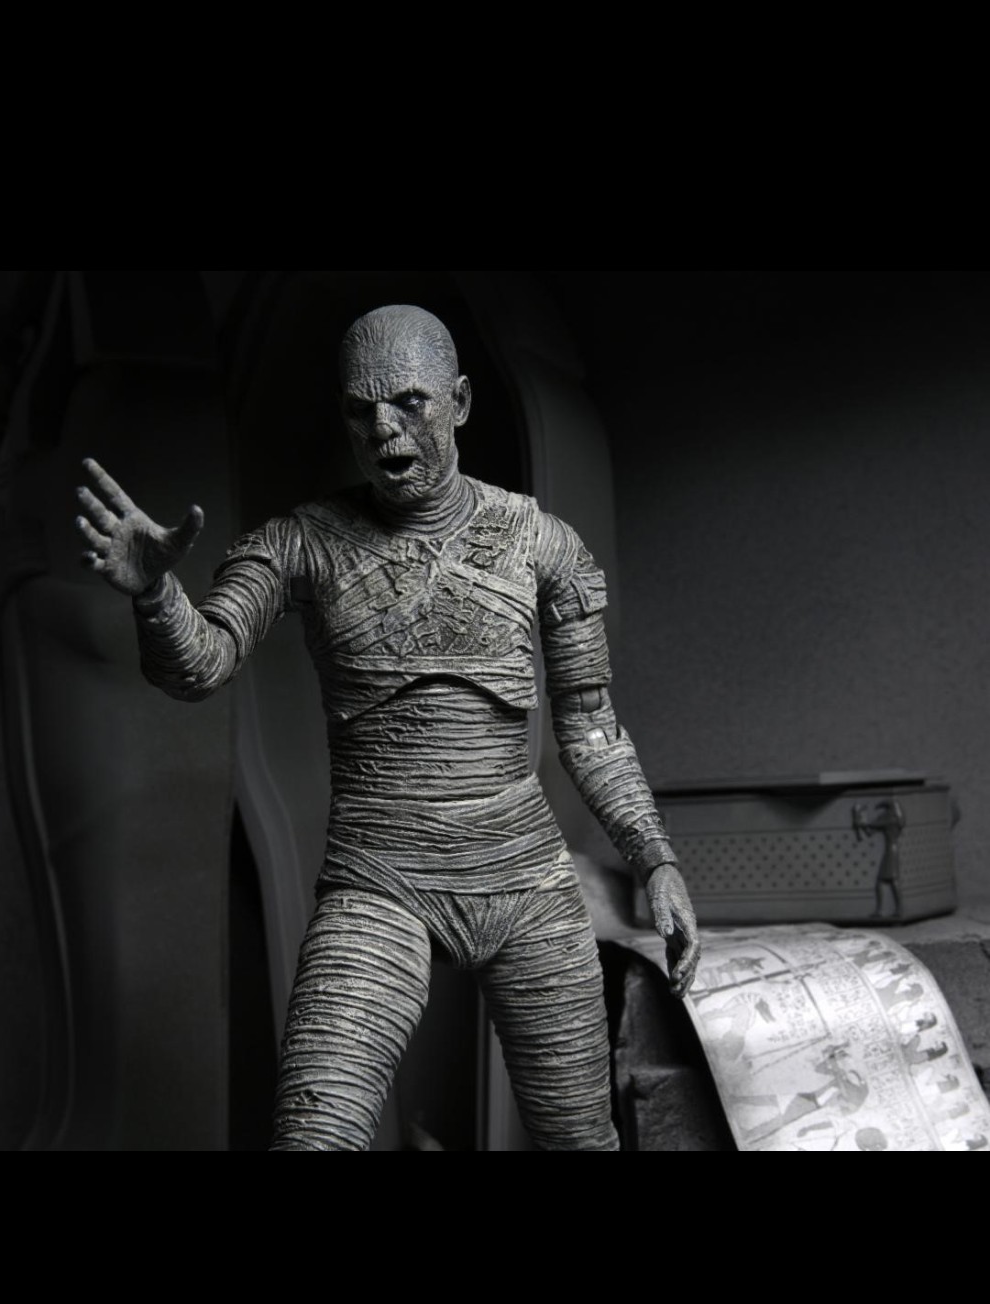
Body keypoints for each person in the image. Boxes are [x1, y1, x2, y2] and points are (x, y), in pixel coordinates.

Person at [75, 304, 701, 1151]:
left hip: (525, 881)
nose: (384, 430)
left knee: (581, 1140)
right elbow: (201, 664)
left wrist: (656, 860)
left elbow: (590, 727)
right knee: (313, 1135)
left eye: (410, 403)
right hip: (380, 881)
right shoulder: (301, 543)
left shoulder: (542, 545)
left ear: (460, 402)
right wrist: (156, 595)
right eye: (361, 409)